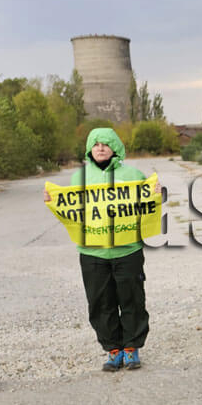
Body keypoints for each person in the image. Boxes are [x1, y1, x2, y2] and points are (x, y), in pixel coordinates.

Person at [47, 128, 153, 371]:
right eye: (96, 144)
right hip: (93, 253)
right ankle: (112, 348)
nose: (101, 148)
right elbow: (71, 212)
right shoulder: (79, 178)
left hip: (127, 251)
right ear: (89, 149)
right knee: (100, 301)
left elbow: (148, 205)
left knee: (132, 299)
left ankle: (131, 347)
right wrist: (53, 202)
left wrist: (156, 194)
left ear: (116, 147)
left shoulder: (133, 174)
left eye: (106, 143)